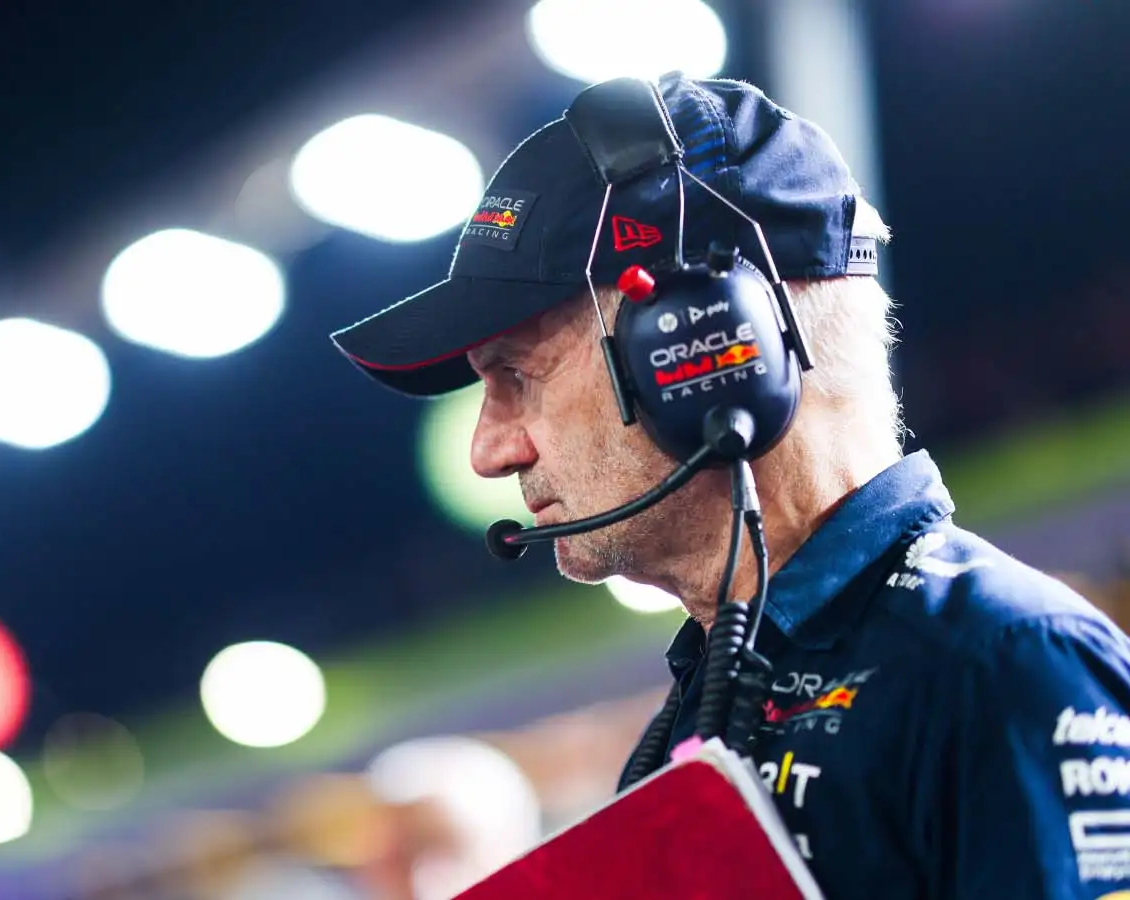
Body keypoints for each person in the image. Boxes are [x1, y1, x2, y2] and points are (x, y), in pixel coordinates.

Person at [328, 72, 1130, 899]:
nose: (489, 452)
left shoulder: (1001, 667)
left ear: (711, 346)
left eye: (519, 375)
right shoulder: (700, 720)